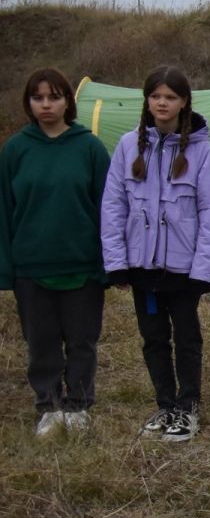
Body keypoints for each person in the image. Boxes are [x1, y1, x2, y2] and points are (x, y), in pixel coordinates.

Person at [101, 66, 210, 442]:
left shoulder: (202, 151)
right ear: (147, 100)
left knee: (187, 337)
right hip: (144, 269)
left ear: (183, 102)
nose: (162, 103)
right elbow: (113, 206)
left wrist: (203, 270)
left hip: (183, 271)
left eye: (170, 97)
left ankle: (188, 408)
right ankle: (165, 404)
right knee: (153, 337)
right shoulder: (128, 146)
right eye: (156, 96)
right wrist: (117, 263)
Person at [0, 68, 110, 435]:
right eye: (38, 98)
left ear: (68, 101)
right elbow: (4, 210)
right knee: (42, 343)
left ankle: (77, 406)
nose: (46, 105)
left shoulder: (89, 147)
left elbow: (108, 208)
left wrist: (108, 263)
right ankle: (48, 405)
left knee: (82, 340)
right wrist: (7, 267)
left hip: (82, 265)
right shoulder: (15, 149)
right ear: (29, 103)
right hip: (31, 266)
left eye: (54, 97)